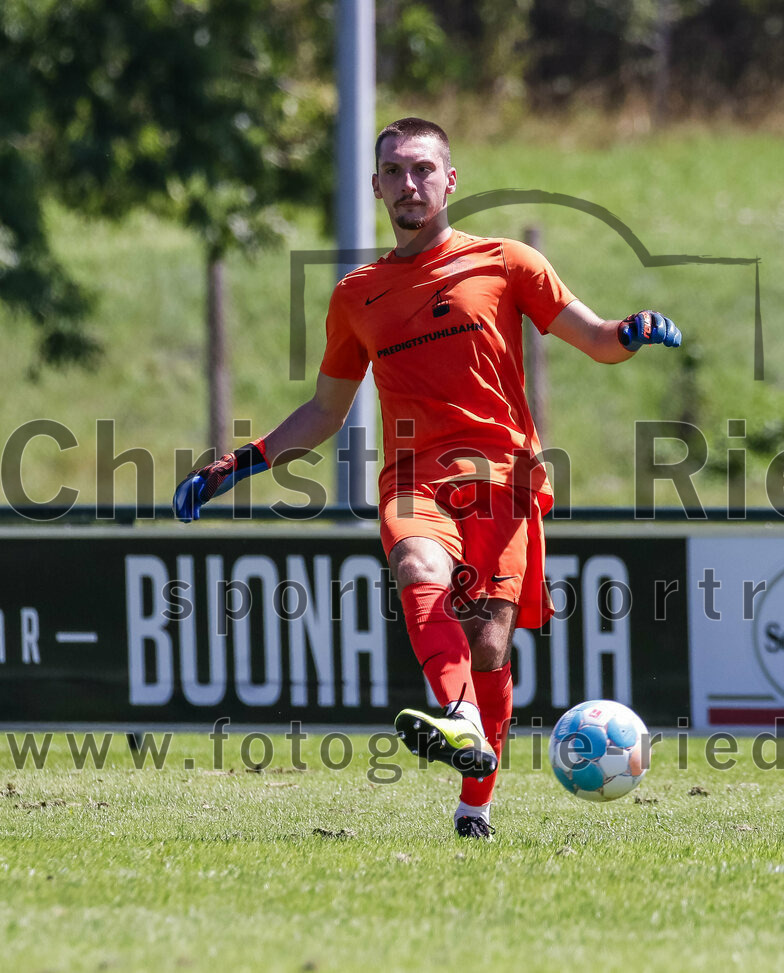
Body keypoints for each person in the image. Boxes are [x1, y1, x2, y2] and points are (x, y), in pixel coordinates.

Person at [173, 117, 680, 839]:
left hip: (505, 479)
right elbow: (325, 409)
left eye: (421, 169)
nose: (408, 184)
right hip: (414, 479)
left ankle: (475, 801)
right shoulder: (358, 294)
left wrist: (631, 331)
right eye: (394, 172)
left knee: (489, 645)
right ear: (376, 185)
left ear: (449, 179)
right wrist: (240, 462)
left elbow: (596, 339)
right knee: (415, 561)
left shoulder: (509, 262)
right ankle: (460, 715)